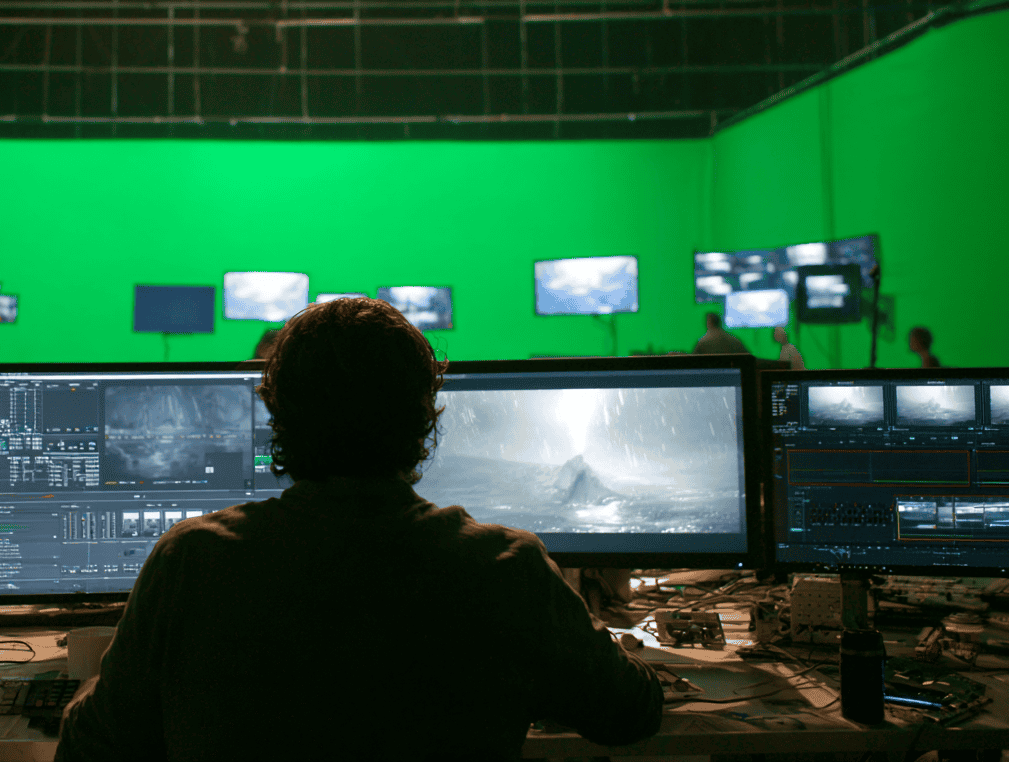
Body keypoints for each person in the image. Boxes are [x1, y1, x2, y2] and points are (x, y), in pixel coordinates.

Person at [56, 297, 662, 761]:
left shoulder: (191, 561)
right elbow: (629, 714)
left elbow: (92, 748)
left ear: (278, 416)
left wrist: (101, 679)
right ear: (424, 418)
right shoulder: (507, 567)